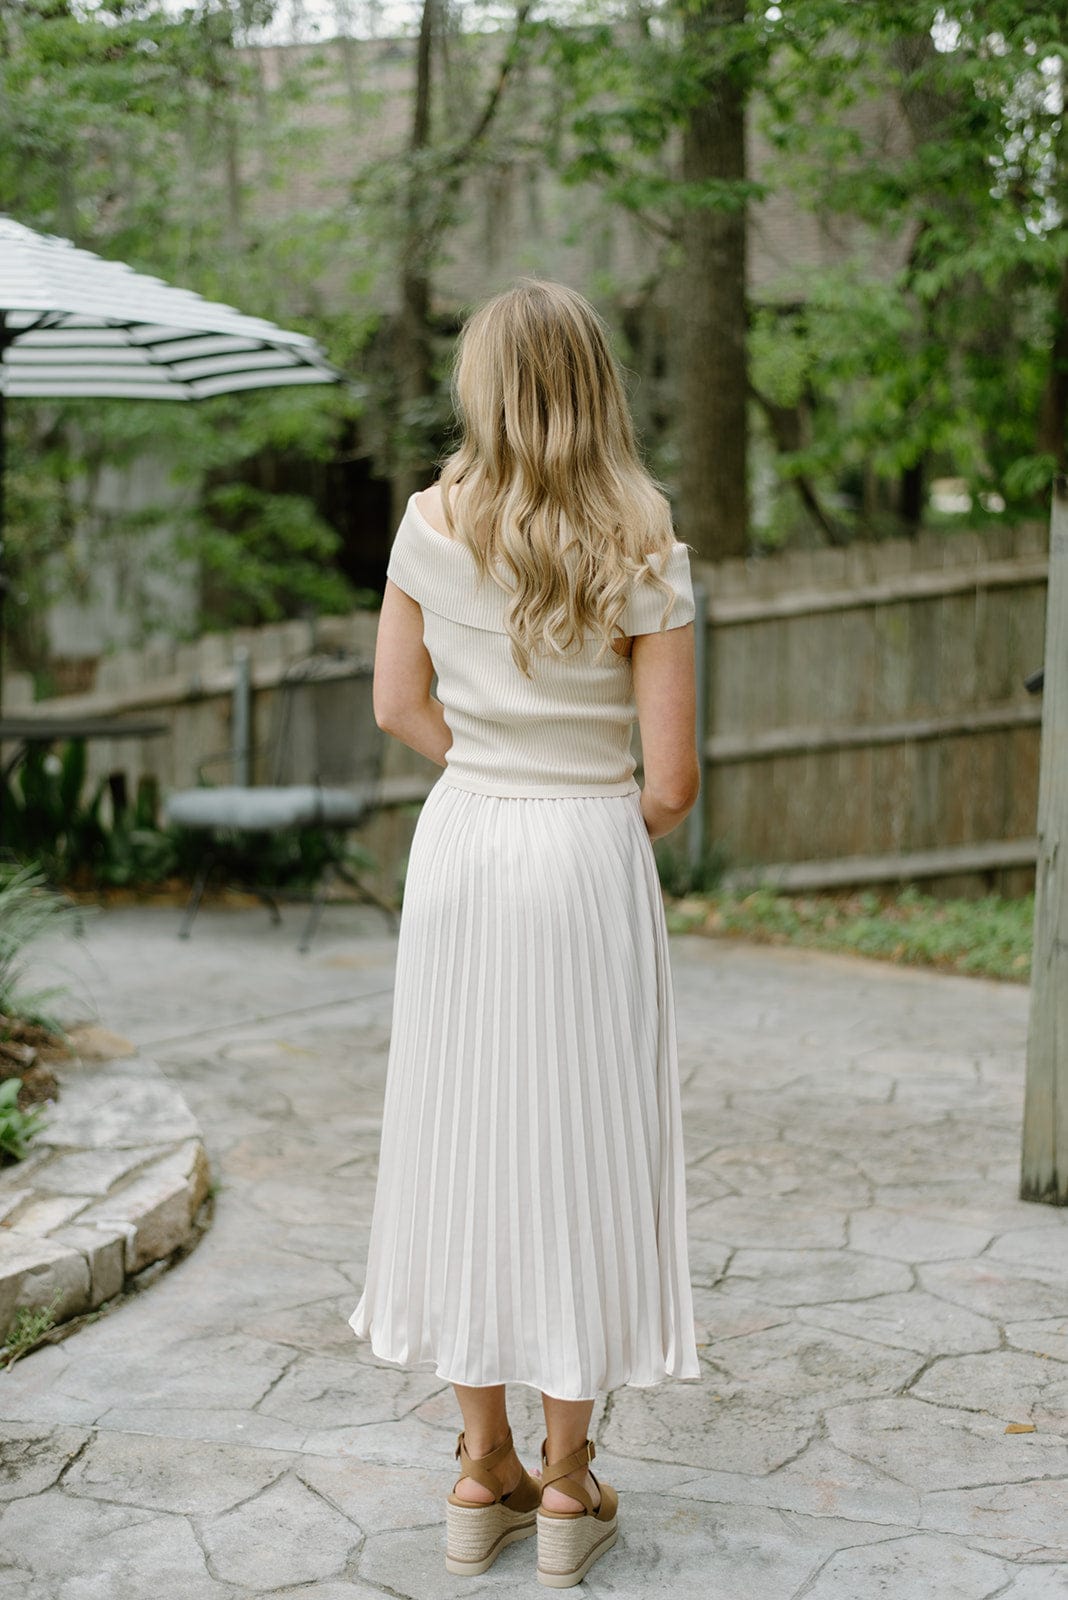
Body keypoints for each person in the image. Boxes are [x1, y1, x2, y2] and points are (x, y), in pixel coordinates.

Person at [349, 277, 702, 1588]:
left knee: (463, 1138)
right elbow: (669, 784)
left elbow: (396, 704)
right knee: (575, 1150)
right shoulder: (645, 536)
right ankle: (565, 1482)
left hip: (464, 848)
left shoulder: (428, 524)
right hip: (582, 855)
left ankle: (474, 1467)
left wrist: (491, 767)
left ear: (480, 388)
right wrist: (580, 809)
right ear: (598, 386)